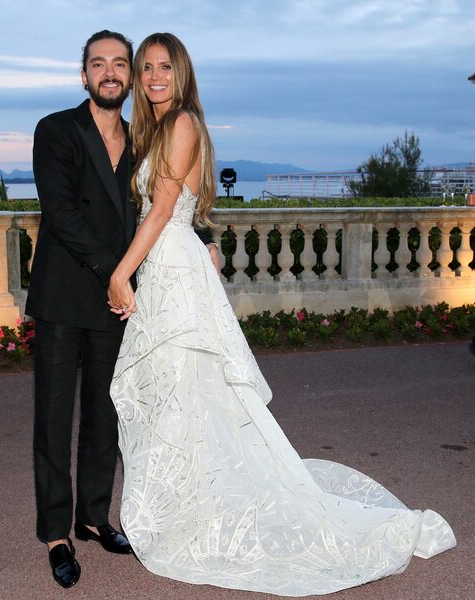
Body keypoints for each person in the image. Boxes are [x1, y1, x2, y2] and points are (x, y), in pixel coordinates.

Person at [108, 32, 457, 597]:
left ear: (182, 73)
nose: (152, 77)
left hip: (168, 271)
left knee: (185, 388)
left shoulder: (182, 124)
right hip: (171, 269)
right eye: (146, 68)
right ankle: (187, 503)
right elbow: (184, 211)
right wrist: (190, 246)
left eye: (163, 67)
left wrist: (121, 272)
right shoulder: (167, 127)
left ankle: (192, 508)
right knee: (181, 393)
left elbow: (166, 205)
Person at [26, 29, 218, 589]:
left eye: (120, 64)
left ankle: (92, 518)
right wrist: (122, 269)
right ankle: (57, 534)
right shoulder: (56, 130)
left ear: (129, 77)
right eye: (98, 63)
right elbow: (61, 215)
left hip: (121, 304)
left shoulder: (143, 137)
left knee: (106, 416)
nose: (110, 72)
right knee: (55, 420)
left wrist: (202, 232)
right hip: (68, 295)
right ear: (83, 74)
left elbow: (167, 197)